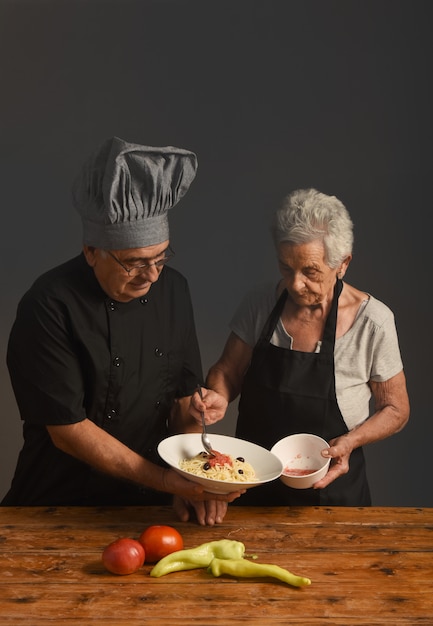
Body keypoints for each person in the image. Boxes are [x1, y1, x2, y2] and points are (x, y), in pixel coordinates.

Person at [2, 136, 243, 524]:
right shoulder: (48, 304)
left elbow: (183, 403)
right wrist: (168, 480)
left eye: (161, 259)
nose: (150, 276)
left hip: (146, 506)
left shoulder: (174, 289)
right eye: (134, 263)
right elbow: (68, 429)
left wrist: (193, 478)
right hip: (56, 506)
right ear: (91, 251)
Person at [192, 188, 410, 506]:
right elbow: (228, 369)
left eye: (310, 271)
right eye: (286, 268)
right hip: (251, 483)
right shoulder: (261, 302)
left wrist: (351, 441)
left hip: (333, 491)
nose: (295, 284)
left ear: (343, 264)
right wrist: (218, 396)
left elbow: (396, 409)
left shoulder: (373, 322)